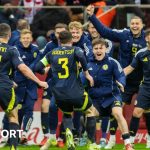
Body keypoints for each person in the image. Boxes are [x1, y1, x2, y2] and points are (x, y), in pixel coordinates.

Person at [86, 5, 147, 149]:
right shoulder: (124, 34)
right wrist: (92, 16)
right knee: (117, 110)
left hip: (143, 81)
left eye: (137, 23)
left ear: (142, 25)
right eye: (132, 23)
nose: (135, 26)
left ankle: (141, 139)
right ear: (129, 25)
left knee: (144, 110)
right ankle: (112, 139)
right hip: (124, 79)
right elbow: (104, 31)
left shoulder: (147, 39)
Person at [35, 30, 100, 150]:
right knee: (90, 111)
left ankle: (69, 137)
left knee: (67, 113)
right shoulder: (75, 50)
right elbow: (81, 56)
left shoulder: (51, 53)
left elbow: (37, 67)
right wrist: (86, 73)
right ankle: (91, 143)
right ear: (71, 40)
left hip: (59, 94)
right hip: (75, 91)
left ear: (59, 41)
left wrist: (46, 70)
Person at [0, 23, 48, 150]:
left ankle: (21, 135)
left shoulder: (34, 50)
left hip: (24, 87)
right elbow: (23, 68)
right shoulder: (12, 49)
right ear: (10, 35)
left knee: (27, 111)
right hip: (6, 86)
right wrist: (39, 82)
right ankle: (13, 147)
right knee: (13, 116)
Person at [80, 38, 134, 150]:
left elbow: (121, 75)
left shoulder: (112, 62)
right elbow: (81, 80)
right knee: (89, 114)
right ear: (92, 50)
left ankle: (128, 144)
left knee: (117, 113)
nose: (98, 50)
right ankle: (93, 144)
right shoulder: (87, 64)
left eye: (101, 48)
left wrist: (121, 83)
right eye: (96, 48)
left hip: (112, 96)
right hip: (95, 98)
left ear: (105, 49)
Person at [39, 23, 68, 147]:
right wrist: (42, 69)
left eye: (62, 33)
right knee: (45, 106)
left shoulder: (71, 46)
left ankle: (61, 138)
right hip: (51, 80)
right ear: (55, 34)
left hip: (68, 83)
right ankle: (47, 137)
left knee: (66, 110)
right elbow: (41, 60)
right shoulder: (50, 45)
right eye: (57, 33)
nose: (59, 35)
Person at [124, 29, 150, 149]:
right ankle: (132, 142)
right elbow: (130, 68)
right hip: (145, 87)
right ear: (146, 38)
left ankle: (149, 139)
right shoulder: (141, 53)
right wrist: (116, 76)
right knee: (137, 112)